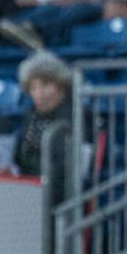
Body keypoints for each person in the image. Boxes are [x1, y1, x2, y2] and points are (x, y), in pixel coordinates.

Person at [12, 51, 74, 197]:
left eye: (45, 85)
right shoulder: (31, 115)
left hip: (59, 195)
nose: (39, 93)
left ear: (61, 86)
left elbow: (64, 167)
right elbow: (20, 155)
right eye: (33, 87)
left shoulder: (73, 115)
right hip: (30, 190)